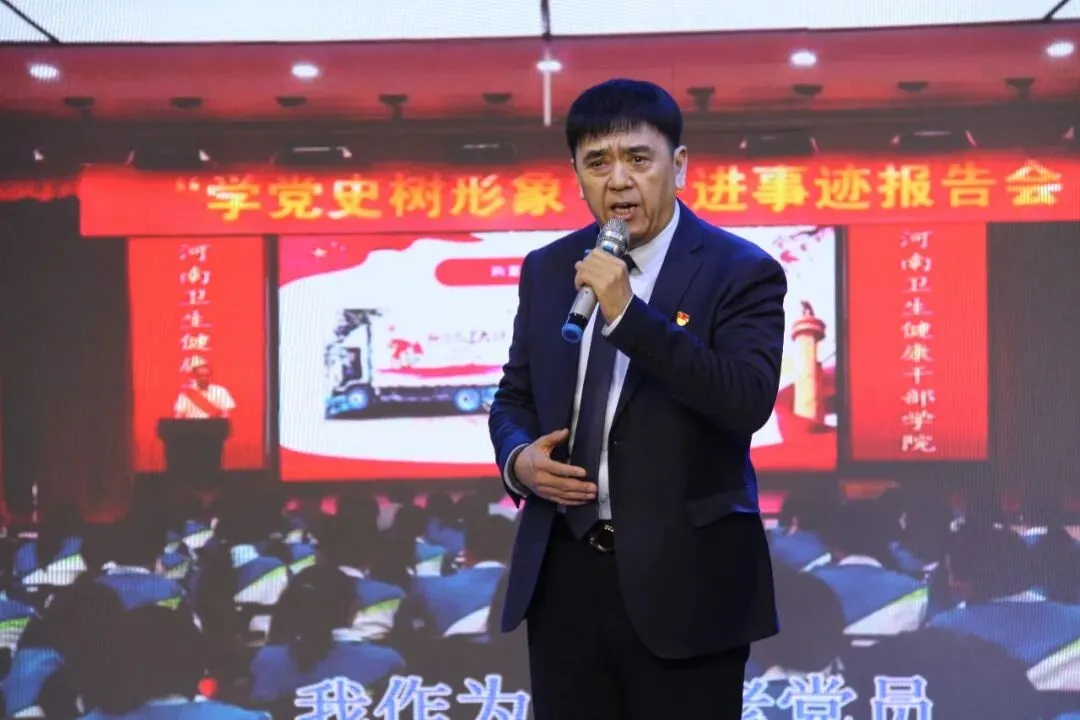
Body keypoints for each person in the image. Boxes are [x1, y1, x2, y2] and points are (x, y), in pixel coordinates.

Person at [488, 78, 787, 719]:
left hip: (689, 583)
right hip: (565, 579)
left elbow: (746, 400)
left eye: (638, 158)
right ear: (577, 176)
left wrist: (627, 313)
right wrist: (518, 460)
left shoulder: (741, 270)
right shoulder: (548, 268)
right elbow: (514, 396)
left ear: (678, 166)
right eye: (597, 162)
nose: (619, 180)